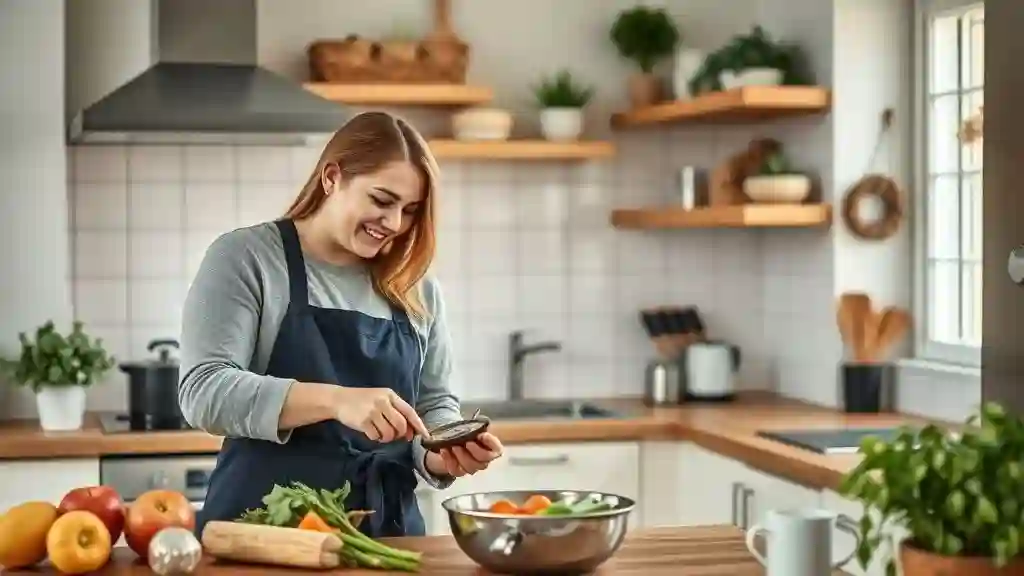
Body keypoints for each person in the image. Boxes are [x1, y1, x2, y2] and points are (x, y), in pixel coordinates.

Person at [178, 111, 503, 539]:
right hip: (264, 535)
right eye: (382, 200)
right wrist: (337, 401)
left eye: (410, 210)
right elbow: (203, 391)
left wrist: (442, 453)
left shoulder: (417, 287)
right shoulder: (248, 258)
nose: (394, 224)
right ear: (332, 177)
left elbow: (433, 405)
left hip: (385, 539)